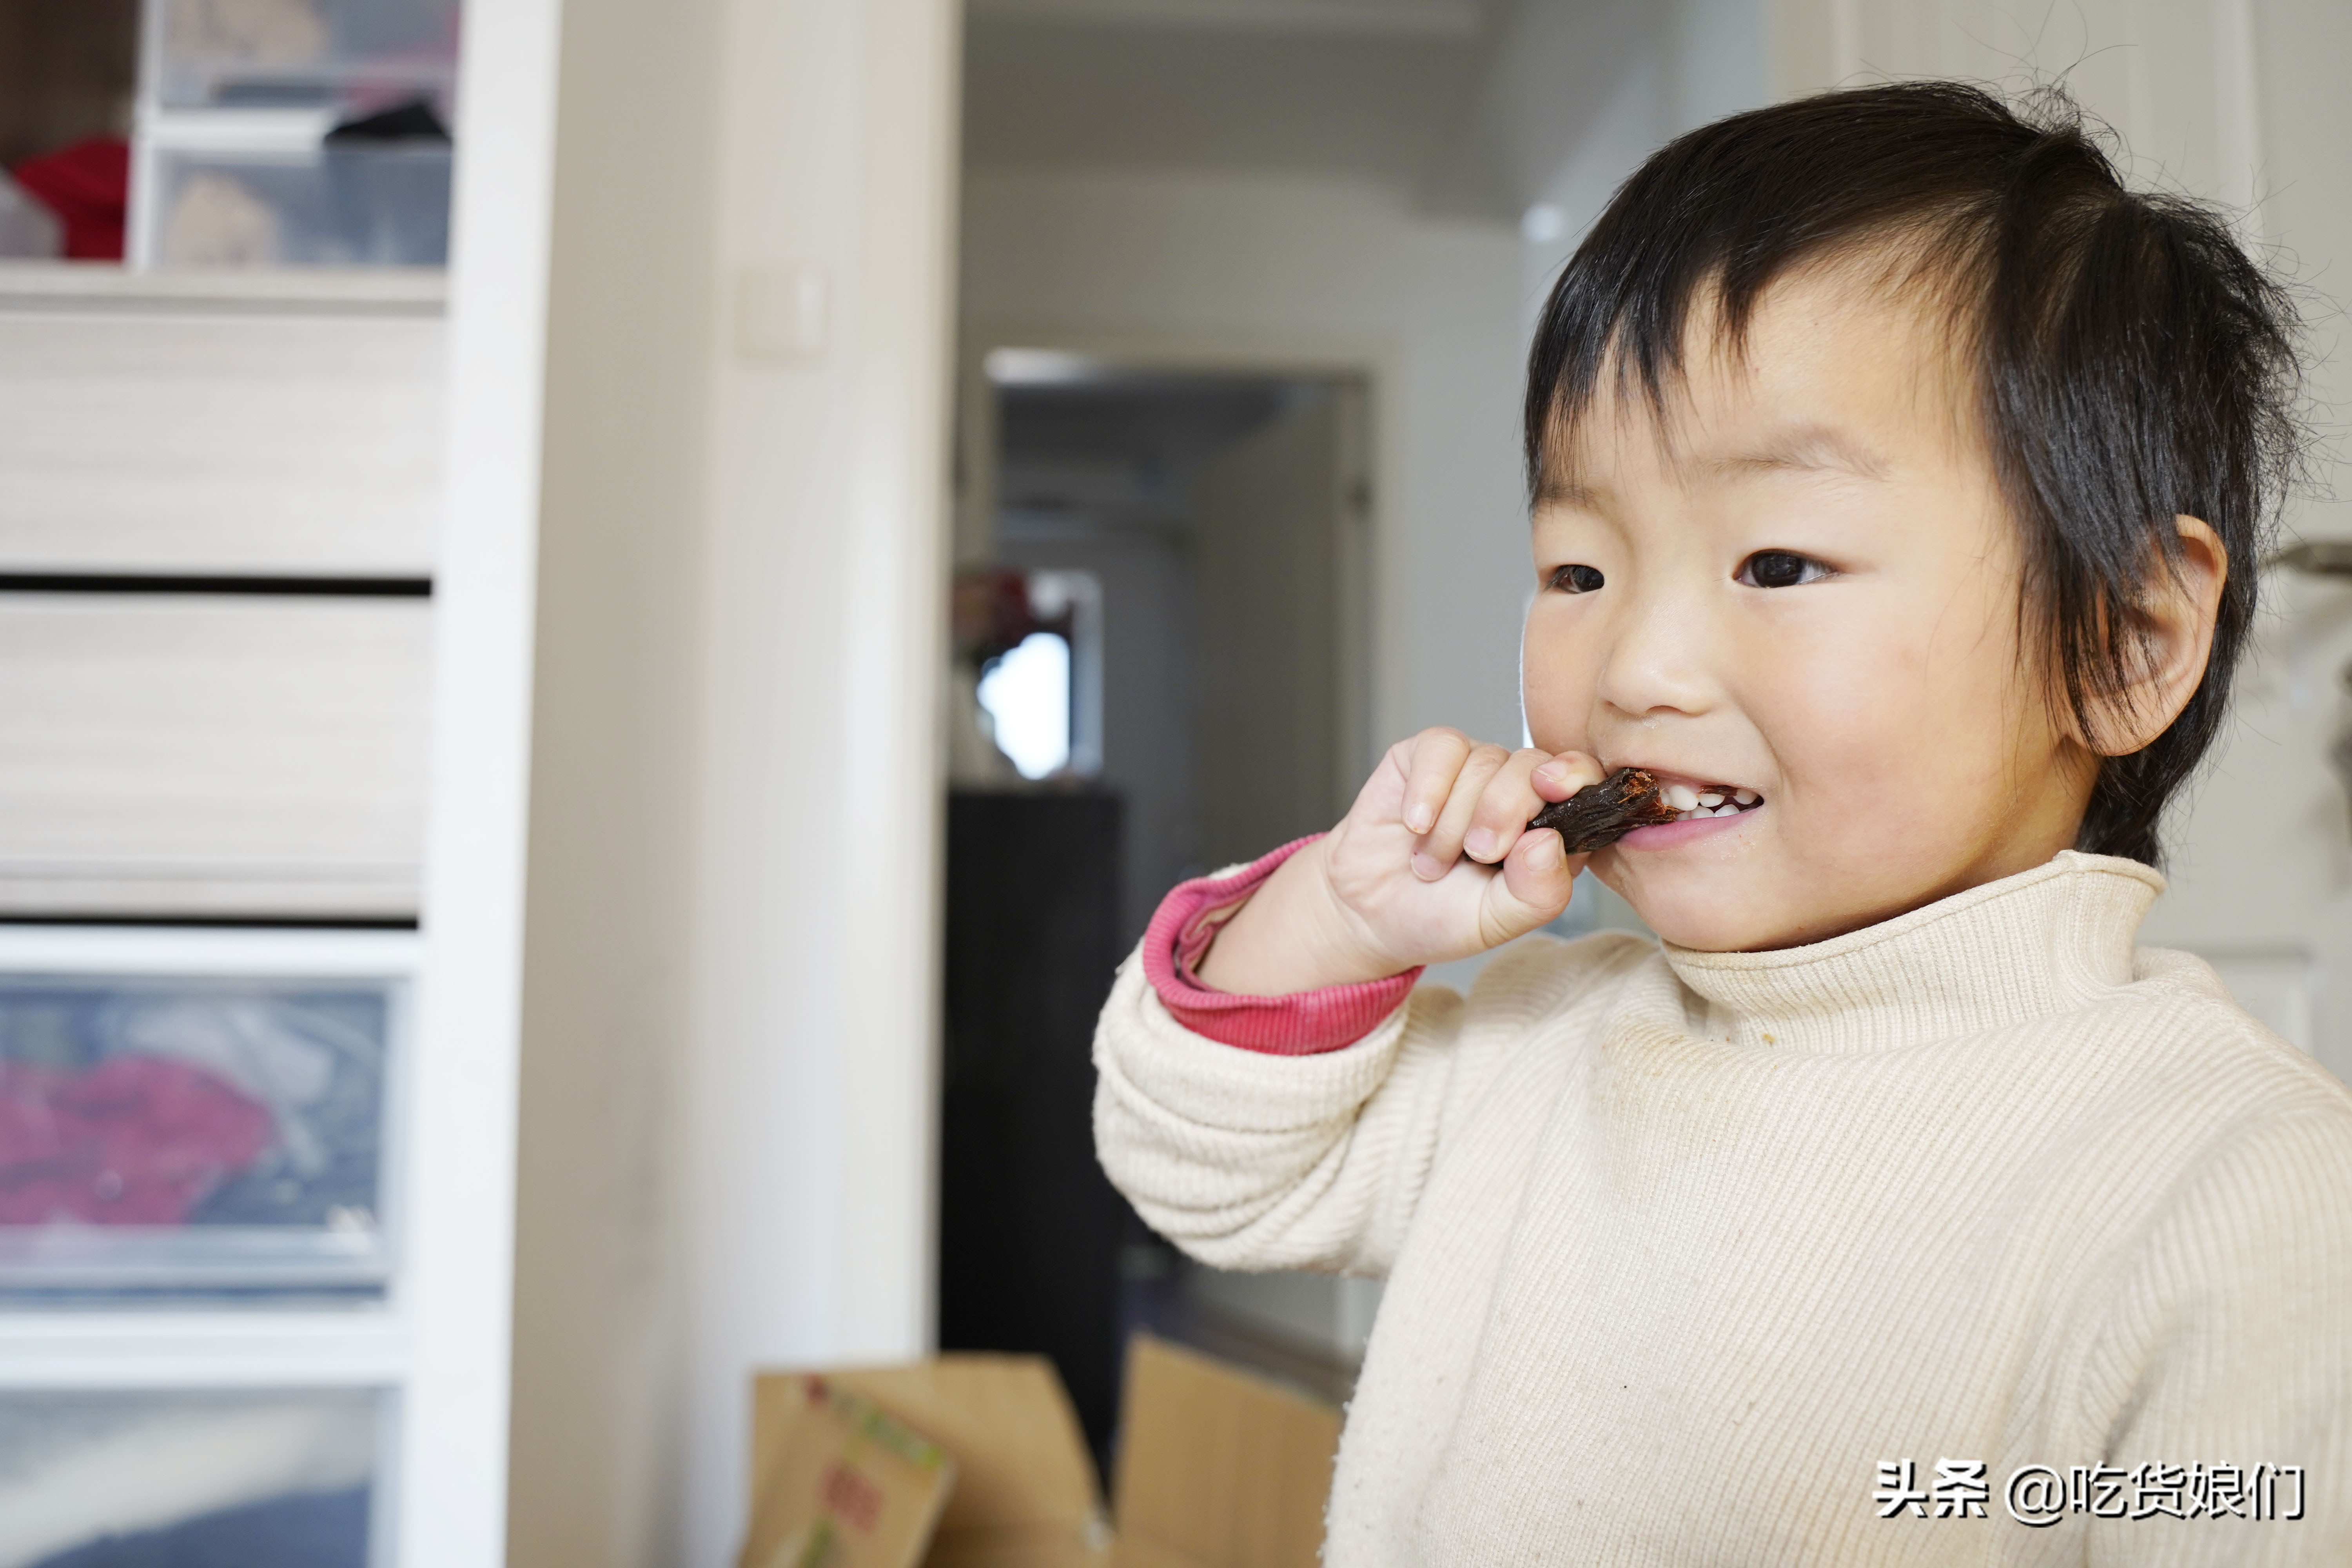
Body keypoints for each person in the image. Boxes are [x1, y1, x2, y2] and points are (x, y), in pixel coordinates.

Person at [1091, 82, 2352, 1563]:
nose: (1634, 669)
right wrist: (1339, 920)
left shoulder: (2235, 1190)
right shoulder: (1535, 1042)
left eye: (1777, 561)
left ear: (2125, 641)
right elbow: (1206, 1172)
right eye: (1577, 572)